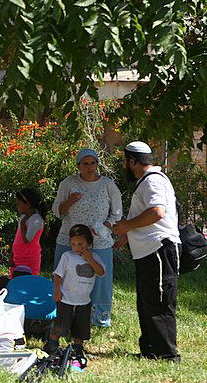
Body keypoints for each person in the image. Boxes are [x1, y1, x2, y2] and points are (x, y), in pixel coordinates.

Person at [112, 141, 181, 362]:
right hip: (149, 252)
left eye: (125, 161)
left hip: (160, 249)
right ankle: (151, 350)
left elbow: (156, 212)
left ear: (132, 161)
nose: (124, 166)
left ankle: (168, 355)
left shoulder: (152, 181)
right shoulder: (145, 182)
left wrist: (128, 226)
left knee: (160, 302)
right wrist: (126, 235)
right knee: (147, 302)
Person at [51, 148, 122, 327]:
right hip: (70, 241)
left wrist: (106, 225)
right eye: (85, 163)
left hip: (98, 242)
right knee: (68, 278)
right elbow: (57, 210)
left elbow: (117, 213)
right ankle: (65, 316)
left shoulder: (107, 184)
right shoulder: (68, 183)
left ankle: (98, 317)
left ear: (97, 164)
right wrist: (71, 200)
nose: (90, 167)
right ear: (78, 166)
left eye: (93, 163)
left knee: (99, 279)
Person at [43, 225, 105, 358]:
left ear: (89, 243)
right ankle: (52, 343)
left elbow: (101, 272)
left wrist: (89, 259)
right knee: (60, 325)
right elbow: (58, 275)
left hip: (84, 301)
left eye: (80, 244)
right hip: (66, 299)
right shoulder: (67, 256)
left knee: (81, 327)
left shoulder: (95, 258)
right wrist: (56, 291)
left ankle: (78, 347)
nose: (77, 247)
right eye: (73, 244)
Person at [11, 188, 45, 277]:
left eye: (19, 204)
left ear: (28, 204)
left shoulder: (36, 219)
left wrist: (22, 224)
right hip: (18, 258)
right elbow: (17, 238)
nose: (17, 207)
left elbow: (27, 239)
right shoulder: (23, 217)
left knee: (28, 281)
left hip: (29, 259)